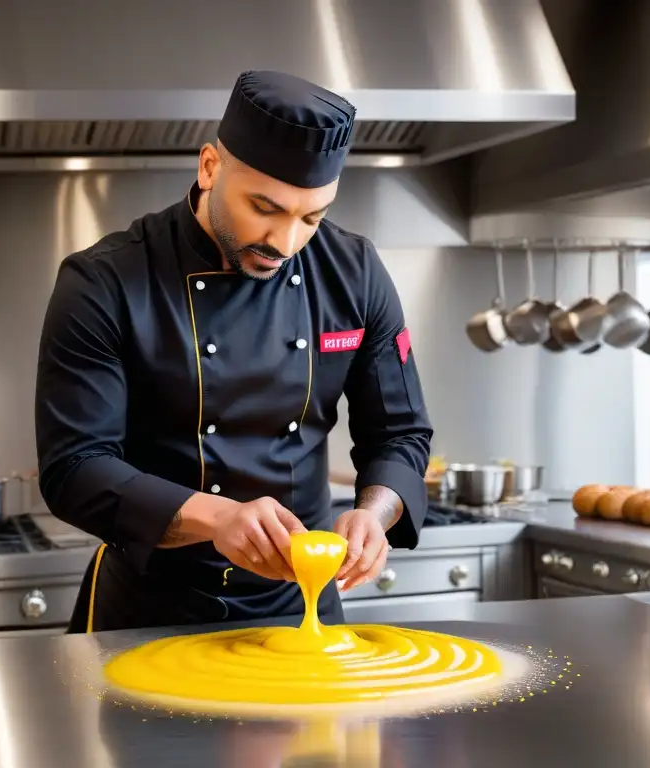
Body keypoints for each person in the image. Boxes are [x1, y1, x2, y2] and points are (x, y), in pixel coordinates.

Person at [35, 70, 433, 633]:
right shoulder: (104, 282)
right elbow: (74, 467)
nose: (285, 242)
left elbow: (401, 433)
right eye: (264, 208)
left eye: (311, 218)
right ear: (209, 167)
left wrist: (374, 513)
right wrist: (220, 518)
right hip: (150, 605)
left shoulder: (356, 273)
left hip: (302, 606)